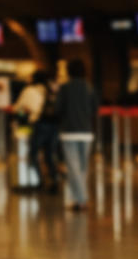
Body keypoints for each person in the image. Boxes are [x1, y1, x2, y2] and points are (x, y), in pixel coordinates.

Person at [55, 59, 98, 211]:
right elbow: (95, 108)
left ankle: (81, 198)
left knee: (73, 167)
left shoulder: (65, 88)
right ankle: (78, 199)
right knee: (83, 167)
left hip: (69, 132)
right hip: (86, 132)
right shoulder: (89, 87)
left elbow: (58, 109)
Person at [14, 69, 59, 192]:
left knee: (33, 154)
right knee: (50, 155)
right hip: (54, 126)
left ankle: (40, 180)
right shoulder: (50, 91)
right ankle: (54, 180)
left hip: (38, 125)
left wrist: (25, 112)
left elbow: (18, 108)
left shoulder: (29, 90)